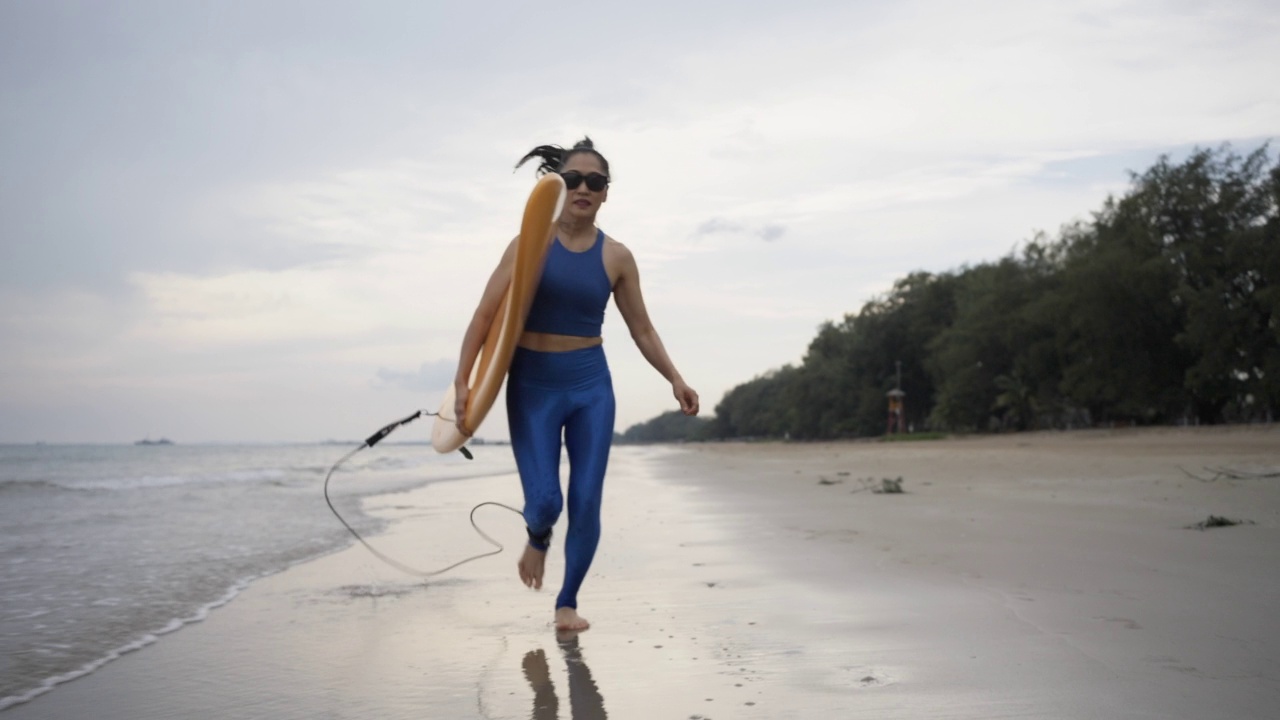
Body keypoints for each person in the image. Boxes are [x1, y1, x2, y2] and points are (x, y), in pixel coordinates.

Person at [452, 137, 698, 632]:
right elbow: (484, 316)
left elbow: (642, 329)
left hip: (590, 385)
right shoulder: (527, 244)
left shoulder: (618, 257)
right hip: (532, 386)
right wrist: (464, 382)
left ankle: (567, 602)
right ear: (556, 185)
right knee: (546, 501)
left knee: (586, 497)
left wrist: (675, 377)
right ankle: (538, 536)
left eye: (596, 181)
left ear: (606, 193)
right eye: (574, 179)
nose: (584, 188)